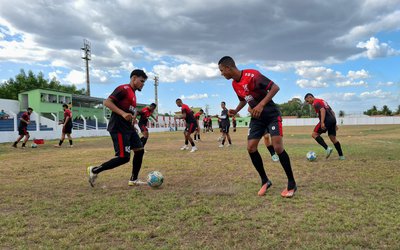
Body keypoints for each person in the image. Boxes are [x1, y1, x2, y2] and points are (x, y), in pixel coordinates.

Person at [218, 56, 297, 198]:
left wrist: (261, 105)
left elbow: (275, 87)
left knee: (277, 147)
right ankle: (265, 180)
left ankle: (291, 183)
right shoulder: (234, 84)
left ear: (229, 68)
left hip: (271, 115)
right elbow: (244, 100)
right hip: (256, 118)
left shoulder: (252, 75)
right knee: (251, 147)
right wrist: (236, 111)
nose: (221, 73)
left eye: (222, 70)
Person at [87, 69, 148, 187]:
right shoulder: (123, 89)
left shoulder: (133, 94)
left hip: (128, 128)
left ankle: (134, 179)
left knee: (139, 151)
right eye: (141, 81)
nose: (142, 84)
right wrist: (123, 114)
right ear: (134, 78)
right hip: (118, 128)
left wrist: (132, 123)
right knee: (123, 158)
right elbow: (107, 102)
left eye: (144, 82)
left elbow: (129, 112)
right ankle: (94, 170)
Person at [304, 93, 345, 160]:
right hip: (332, 120)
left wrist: (322, 122)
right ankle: (341, 156)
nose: (308, 103)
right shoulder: (322, 101)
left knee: (314, 134)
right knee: (333, 138)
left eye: (307, 101)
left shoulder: (316, 102)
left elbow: (322, 110)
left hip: (326, 120)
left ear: (310, 97)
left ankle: (327, 148)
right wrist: (334, 123)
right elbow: (332, 112)